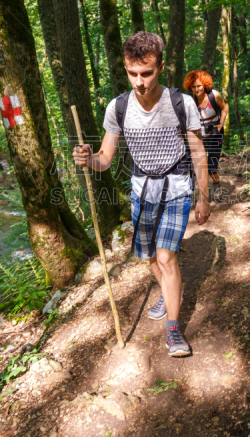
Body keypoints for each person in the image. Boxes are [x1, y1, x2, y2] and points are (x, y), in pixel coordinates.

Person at [72, 32, 210, 357]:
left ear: (160, 67)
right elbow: (104, 160)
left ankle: (173, 331)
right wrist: (87, 159)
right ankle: (165, 290)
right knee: (148, 255)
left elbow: (198, 152)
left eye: (146, 73)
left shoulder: (181, 103)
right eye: (132, 73)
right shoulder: (117, 108)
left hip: (176, 186)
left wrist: (203, 197)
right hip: (141, 189)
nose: (139, 81)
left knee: (166, 256)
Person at [184, 70, 228, 201]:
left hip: (214, 134)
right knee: (191, 165)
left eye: (199, 86)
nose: (196, 89)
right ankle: (190, 192)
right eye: (193, 87)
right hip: (198, 136)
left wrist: (220, 124)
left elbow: (224, 108)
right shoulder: (189, 99)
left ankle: (216, 185)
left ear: (204, 85)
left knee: (211, 166)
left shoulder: (214, 95)